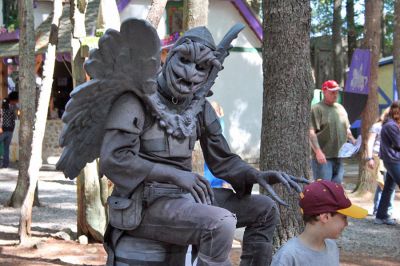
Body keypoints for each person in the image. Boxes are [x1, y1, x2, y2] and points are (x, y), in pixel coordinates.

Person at [56, 19, 308, 266]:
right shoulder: (135, 101)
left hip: (185, 199)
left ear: (210, 73)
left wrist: (255, 174)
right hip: (144, 203)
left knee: (265, 209)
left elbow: (223, 161)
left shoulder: (200, 110)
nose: (189, 72)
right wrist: (176, 176)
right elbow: (114, 159)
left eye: (201, 67)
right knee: (220, 223)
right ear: (168, 57)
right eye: (184, 60)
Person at [271, 180, 367, 266]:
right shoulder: (288, 257)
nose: (346, 224)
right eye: (344, 218)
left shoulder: (332, 247)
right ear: (325, 217)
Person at [310, 80, 356, 184]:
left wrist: (353, 141)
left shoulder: (340, 108)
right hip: (323, 158)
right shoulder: (316, 109)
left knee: (336, 189)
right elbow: (310, 132)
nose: (335, 94)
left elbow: (346, 128)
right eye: (332, 92)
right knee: (324, 189)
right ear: (324, 91)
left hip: (339, 156)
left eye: (337, 92)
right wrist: (318, 152)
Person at [375, 101, 400, 225]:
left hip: (392, 159)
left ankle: (381, 216)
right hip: (393, 160)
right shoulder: (391, 126)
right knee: (389, 188)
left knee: (388, 188)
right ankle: (381, 216)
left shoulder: (392, 125)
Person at [365, 108, 395, 215]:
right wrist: (370, 158)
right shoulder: (377, 126)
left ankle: (383, 210)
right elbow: (370, 142)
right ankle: (382, 210)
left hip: (391, 158)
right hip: (378, 157)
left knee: (388, 184)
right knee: (383, 184)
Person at [203, 101, 231, 188]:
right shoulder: (215, 120)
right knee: (211, 168)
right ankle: (213, 185)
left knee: (217, 167)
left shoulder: (217, 121)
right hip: (212, 148)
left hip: (217, 148)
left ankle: (216, 185)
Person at [0, 92, 18, 168]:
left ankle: (3, 164)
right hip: (9, 130)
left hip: (2, 129)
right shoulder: (14, 107)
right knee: (6, 147)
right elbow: (14, 117)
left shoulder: (3, 105)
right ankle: (5, 164)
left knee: (5, 147)